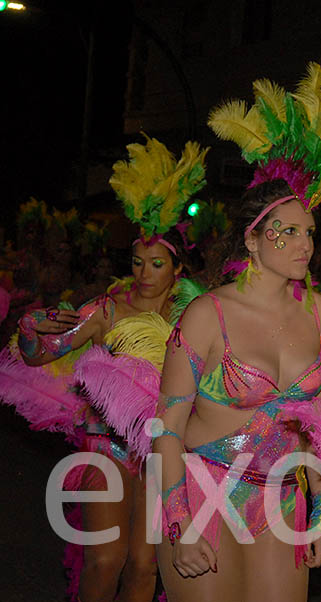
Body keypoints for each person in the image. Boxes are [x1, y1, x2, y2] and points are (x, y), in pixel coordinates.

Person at [154, 64, 321, 601]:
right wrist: (177, 522)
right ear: (252, 241)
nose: (304, 243)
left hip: (282, 496)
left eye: (309, 232)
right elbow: (165, 430)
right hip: (201, 490)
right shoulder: (207, 314)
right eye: (288, 232)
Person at [7, 136, 208, 602]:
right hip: (107, 447)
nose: (143, 273)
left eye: (156, 264)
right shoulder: (106, 310)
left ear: (176, 270)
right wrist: (29, 329)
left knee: (144, 567)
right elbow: (41, 352)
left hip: (162, 451)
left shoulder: (192, 320)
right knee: (105, 558)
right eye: (137, 262)